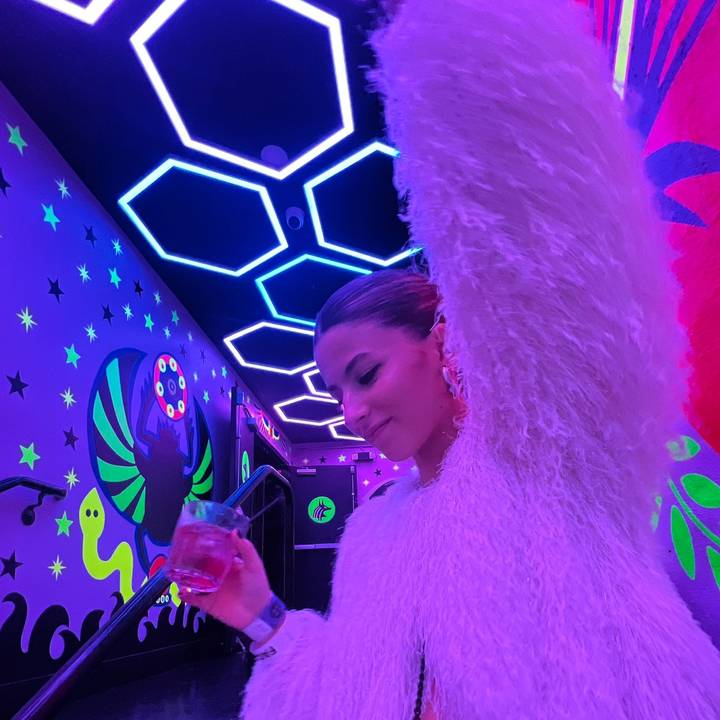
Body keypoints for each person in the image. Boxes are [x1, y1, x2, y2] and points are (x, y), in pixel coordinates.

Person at [179, 0, 720, 718]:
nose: (352, 411)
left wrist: (460, 49)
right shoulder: (372, 534)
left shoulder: (547, 459)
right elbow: (351, 689)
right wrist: (259, 614)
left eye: (365, 373)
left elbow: (532, 225)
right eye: (336, 392)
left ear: (441, 341)